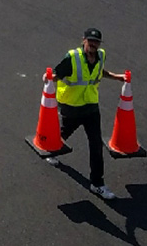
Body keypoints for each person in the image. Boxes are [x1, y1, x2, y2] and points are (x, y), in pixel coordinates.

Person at [45, 27, 129, 200]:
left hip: (90, 106)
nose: (93, 44)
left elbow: (99, 72)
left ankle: (97, 184)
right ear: (83, 40)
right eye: (90, 41)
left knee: (96, 144)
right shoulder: (72, 58)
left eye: (96, 42)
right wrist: (48, 79)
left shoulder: (101, 55)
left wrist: (116, 77)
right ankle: (51, 149)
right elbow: (57, 74)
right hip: (72, 106)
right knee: (64, 132)